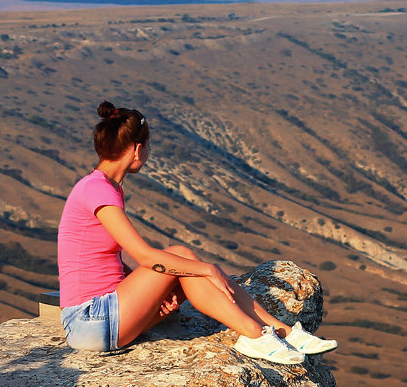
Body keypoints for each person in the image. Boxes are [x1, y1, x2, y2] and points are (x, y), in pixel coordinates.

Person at [56, 101, 336, 364]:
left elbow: (104, 262)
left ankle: (280, 331)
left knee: (183, 272)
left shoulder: (105, 187)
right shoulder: (97, 190)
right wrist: (208, 270)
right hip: (89, 320)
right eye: (149, 146)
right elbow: (143, 256)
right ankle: (253, 334)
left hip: (103, 316)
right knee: (181, 257)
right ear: (137, 150)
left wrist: (151, 298)